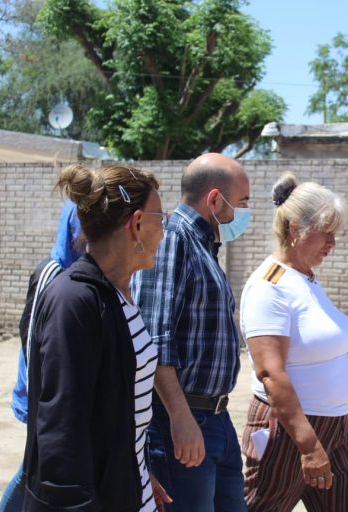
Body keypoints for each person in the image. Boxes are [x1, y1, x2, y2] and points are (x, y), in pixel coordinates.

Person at [23, 164, 172, 511]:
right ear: (136, 224)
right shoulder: (75, 301)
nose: (163, 233)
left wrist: (135, 473)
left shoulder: (116, 295)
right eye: (159, 220)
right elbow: (62, 432)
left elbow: (113, 412)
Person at [239, 173, 348, 511]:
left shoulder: (305, 279)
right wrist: (309, 446)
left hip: (335, 426)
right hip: (290, 432)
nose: (332, 243)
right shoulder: (270, 286)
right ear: (296, 229)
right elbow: (270, 373)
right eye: (325, 233)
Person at [132, 153, 250, 512]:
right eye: (242, 202)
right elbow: (155, 338)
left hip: (215, 418)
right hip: (183, 422)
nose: (244, 213)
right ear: (215, 199)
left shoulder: (203, 245)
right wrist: (181, 418)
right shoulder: (173, 239)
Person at [0, 199, 83, 512]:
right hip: (41, 399)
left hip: (57, 402)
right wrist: (44, 404)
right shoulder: (52, 271)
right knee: (31, 472)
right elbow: (31, 340)